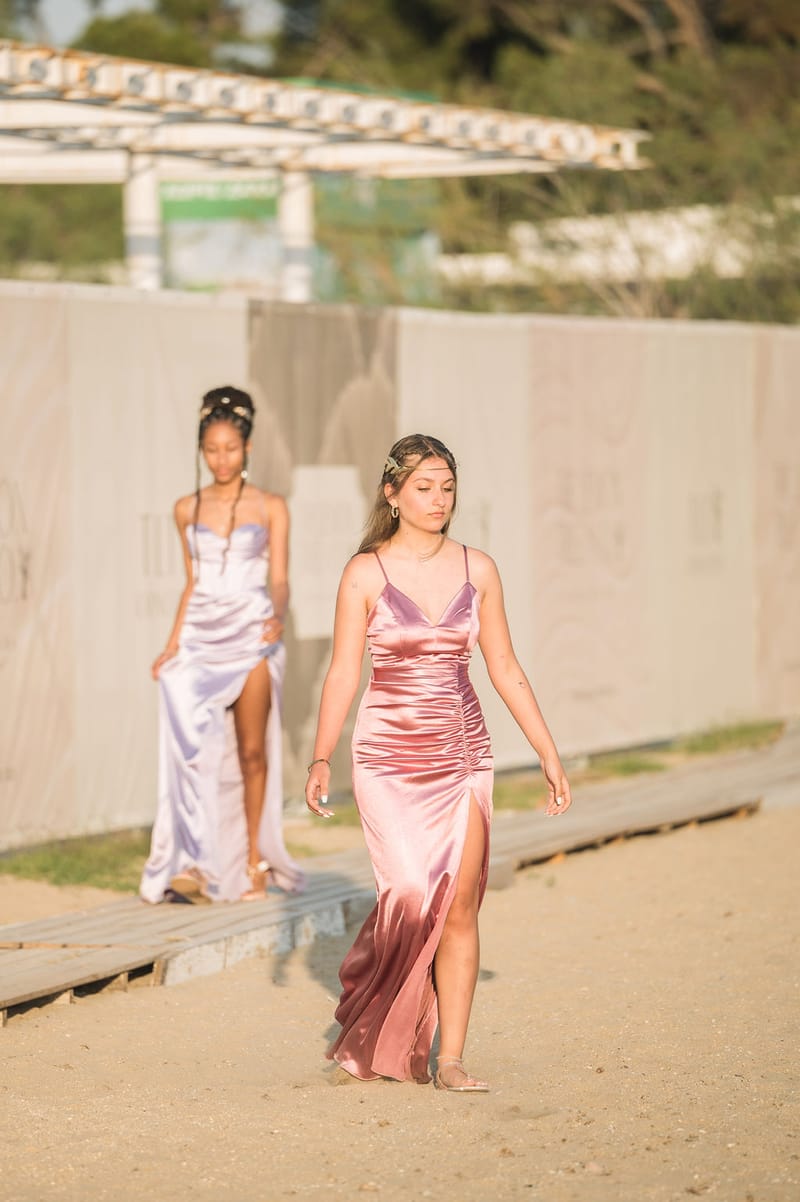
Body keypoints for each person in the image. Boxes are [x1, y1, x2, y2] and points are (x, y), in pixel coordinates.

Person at [305, 434, 572, 1091]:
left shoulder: (477, 569)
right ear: (392, 495)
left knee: (456, 907)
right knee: (409, 894)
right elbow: (343, 672)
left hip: (461, 756)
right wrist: (319, 757)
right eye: (423, 487)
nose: (438, 499)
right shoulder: (364, 573)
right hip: (386, 759)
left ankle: (449, 1058)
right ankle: (380, 1020)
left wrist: (546, 750)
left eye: (447, 487)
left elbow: (503, 666)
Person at [140, 386, 304, 905]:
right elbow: (191, 583)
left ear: (247, 448)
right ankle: (195, 861)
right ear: (201, 450)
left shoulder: (271, 505)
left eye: (230, 448)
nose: (221, 458)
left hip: (252, 630)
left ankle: (255, 857)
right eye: (211, 450)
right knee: (192, 748)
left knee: (252, 751)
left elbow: (280, 578)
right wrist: (171, 646)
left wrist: (277, 616)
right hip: (200, 636)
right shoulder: (185, 508)